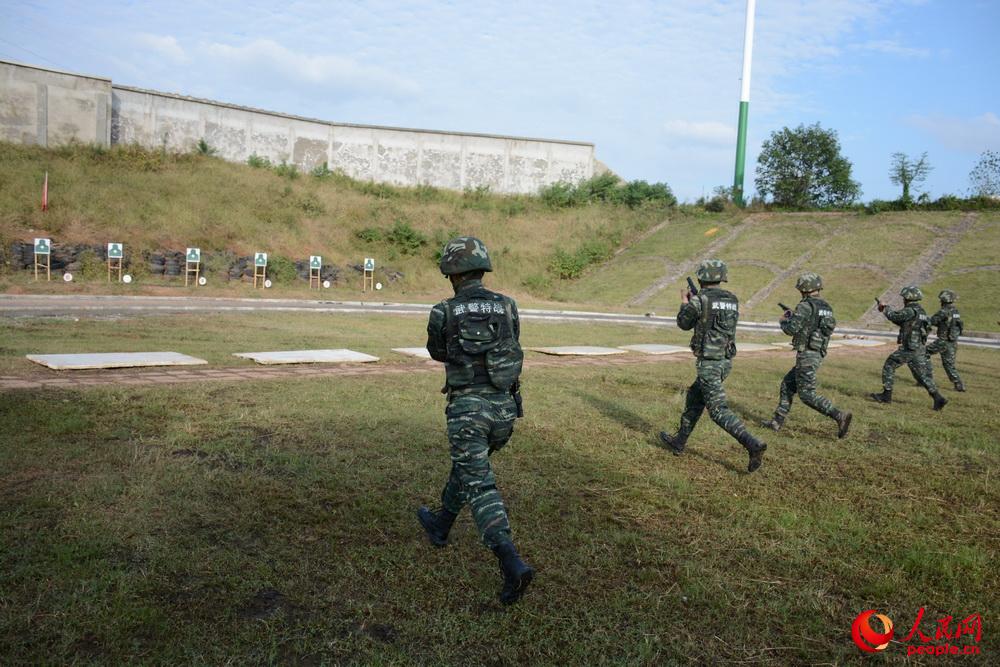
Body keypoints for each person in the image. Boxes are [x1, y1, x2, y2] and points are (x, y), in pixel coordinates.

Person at [416, 236, 533, 605]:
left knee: (481, 485)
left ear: (452, 272)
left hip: (469, 412)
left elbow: (438, 352)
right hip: (504, 413)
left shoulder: (443, 311)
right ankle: (440, 524)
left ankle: (511, 563)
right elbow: (512, 342)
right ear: (482, 268)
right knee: (468, 468)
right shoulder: (509, 306)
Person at [658, 259, 768, 473]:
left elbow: (683, 323)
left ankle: (752, 444)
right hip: (725, 361)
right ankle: (679, 440)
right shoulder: (732, 300)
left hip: (709, 362)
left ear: (701, 277)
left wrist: (684, 302)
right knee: (694, 397)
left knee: (717, 410)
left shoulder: (700, 300)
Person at [761, 272, 852, 438]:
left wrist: (783, 320)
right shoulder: (826, 307)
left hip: (807, 355)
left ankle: (839, 415)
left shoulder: (805, 306)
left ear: (803, 289)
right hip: (817, 353)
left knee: (807, 394)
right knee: (787, 384)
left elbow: (791, 329)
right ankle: (776, 422)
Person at [871, 285, 947, 410]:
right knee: (922, 376)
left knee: (889, 365)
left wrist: (885, 308)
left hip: (910, 348)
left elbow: (895, 316)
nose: (903, 300)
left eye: (904, 297)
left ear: (907, 298)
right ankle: (938, 398)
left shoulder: (910, 310)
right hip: (919, 347)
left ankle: (886, 396)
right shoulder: (921, 311)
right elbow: (903, 321)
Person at [927, 289, 965, 392]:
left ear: (944, 300)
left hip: (943, 341)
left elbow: (932, 321)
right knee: (949, 364)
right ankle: (959, 384)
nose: (940, 302)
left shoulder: (943, 311)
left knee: (923, 353)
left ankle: (926, 379)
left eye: (940, 300)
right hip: (953, 342)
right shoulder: (955, 311)